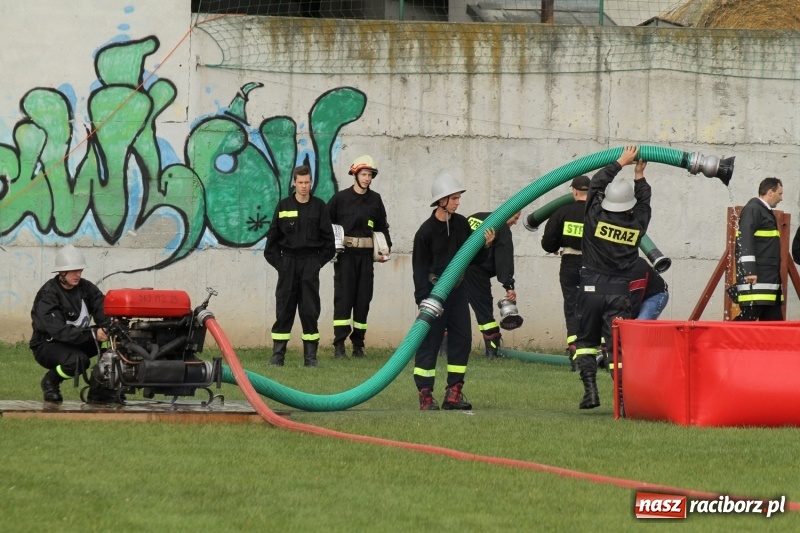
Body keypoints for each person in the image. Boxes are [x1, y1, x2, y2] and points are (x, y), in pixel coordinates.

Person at [572, 146, 650, 411]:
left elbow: (595, 185)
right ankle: (622, 399)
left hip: (591, 288)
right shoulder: (636, 225)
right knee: (616, 347)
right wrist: (639, 175)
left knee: (585, 342)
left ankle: (590, 391)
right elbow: (645, 205)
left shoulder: (594, 218)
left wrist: (621, 162)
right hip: (619, 291)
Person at [412, 171, 495, 410]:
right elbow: (418, 269)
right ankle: (425, 394)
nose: (459, 202)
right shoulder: (425, 232)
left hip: (458, 293)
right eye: (455, 198)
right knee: (429, 344)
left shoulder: (460, 225)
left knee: (462, 341)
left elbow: (473, 258)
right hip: (434, 294)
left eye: (459, 197)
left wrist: (486, 245)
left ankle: (453, 393)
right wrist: (423, 301)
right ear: (441, 200)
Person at [264, 165, 336, 367]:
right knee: (284, 309)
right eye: (300, 182)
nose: (304, 186)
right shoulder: (284, 206)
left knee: (310, 310)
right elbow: (271, 244)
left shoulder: (319, 207)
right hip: (287, 263)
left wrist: (316, 264)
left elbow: (329, 243)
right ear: (294, 183)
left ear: (311, 182)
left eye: (307, 182)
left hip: (310, 264)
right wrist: (281, 266)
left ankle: (310, 358)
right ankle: (277, 357)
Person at [327, 155, 392, 359]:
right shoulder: (340, 199)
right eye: (364, 174)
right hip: (346, 257)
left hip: (366, 258)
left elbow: (382, 226)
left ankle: (358, 345)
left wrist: (386, 247)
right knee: (343, 300)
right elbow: (326, 224)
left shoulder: (375, 200)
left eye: (370, 175)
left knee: (363, 300)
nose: (367, 178)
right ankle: (339, 345)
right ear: (355, 174)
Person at [30, 244, 111, 403]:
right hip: (48, 344)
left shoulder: (86, 288)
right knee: (78, 361)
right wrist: (94, 334)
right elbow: (58, 330)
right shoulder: (48, 294)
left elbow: (103, 309)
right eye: (74, 271)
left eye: (80, 270)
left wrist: (108, 328)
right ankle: (51, 380)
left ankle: (101, 389)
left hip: (77, 339)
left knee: (112, 345)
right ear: (61, 272)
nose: (78, 274)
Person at [541, 175, 590, 358]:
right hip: (594, 265)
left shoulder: (562, 212)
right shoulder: (599, 212)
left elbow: (548, 243)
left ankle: (575, 353)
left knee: (572, 305)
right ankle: (597, 351)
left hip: (570, 263)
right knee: (594, 306)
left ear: (574, 191)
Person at [464, 211, 520, 358]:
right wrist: (509, 286)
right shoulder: (502, 227)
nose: (515, 222)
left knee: (451, 308)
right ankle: (492, 349)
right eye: (515, 217)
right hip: (475, 273)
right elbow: (504, 259)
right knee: (484, 310)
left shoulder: (475, 216)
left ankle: (443, 350)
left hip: (455, 270)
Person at [733, 177, 783, 321]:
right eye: (780, 194)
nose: (781, 198)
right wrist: (749, 271)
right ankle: (719, 341)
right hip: (757, 281)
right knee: (747, 319)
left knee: (773, 325)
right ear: (770, 192)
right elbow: (744, 240)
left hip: (768, 281)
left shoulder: (763, 211)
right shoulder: (753, 210)